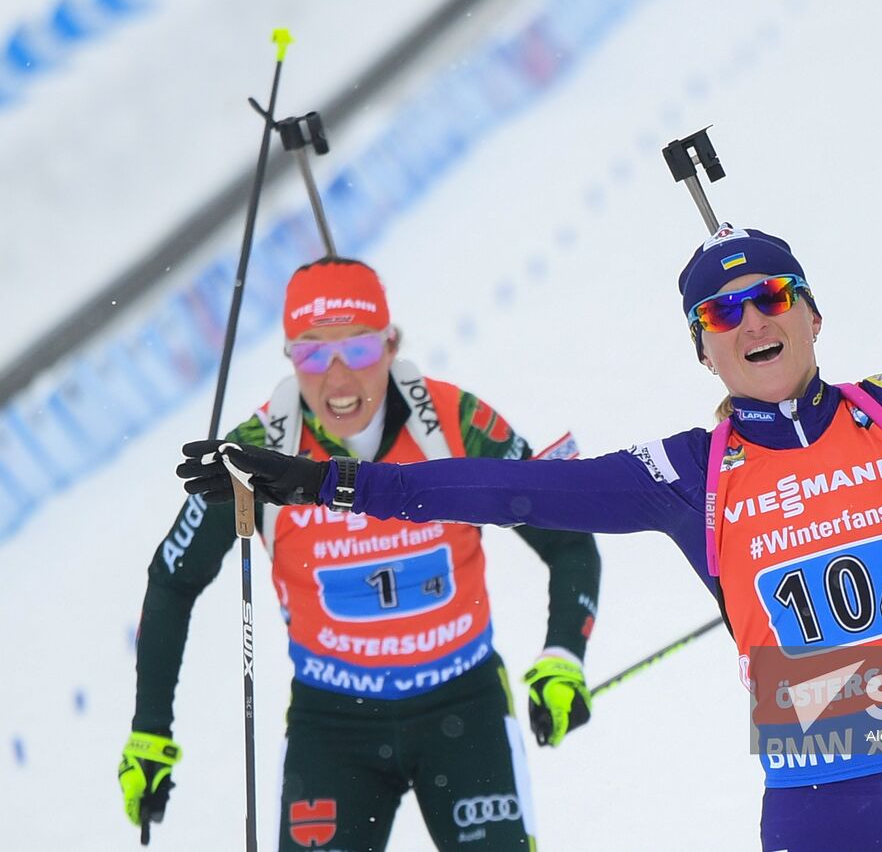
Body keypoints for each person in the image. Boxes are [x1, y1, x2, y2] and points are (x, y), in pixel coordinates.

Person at [177, 100, 882, 850]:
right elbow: (498, 491)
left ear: (812, 311)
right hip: (812, 805)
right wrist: (320, 483)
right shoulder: (685, 471)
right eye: (723, 311)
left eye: (772, 297)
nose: (751, 319)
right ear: (700, 346)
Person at [121, 258, 601, 850]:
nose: (339, 380)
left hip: (463, 704)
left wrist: (564, 655)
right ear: (289, 358)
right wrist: (150, 732)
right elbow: (173, 579)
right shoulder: (258, 452)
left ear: (393, 344)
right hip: (333, 727)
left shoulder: (455, 423)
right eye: (313, 354)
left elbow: (568, 534)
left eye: (360, 348)